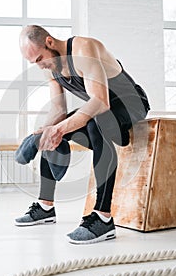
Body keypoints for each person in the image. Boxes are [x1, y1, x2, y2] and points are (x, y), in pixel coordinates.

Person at [15, 25, 150, 245]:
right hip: (102, 109)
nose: (40, 66)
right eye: (34, 63)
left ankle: (103, 218)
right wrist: (41, 134)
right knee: (48, 133)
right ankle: (45, 207)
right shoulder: (50, 69)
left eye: (40, 58)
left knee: (97, 124)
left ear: (49, 42)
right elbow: (58, 110)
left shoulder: (83, 48)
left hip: (130, 103)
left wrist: (58, 130)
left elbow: (100, 102)